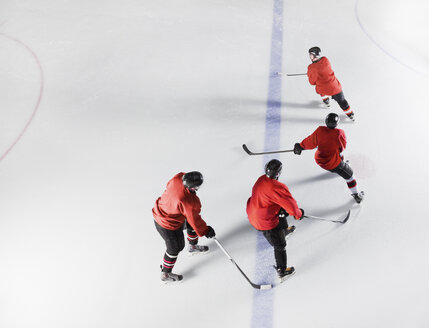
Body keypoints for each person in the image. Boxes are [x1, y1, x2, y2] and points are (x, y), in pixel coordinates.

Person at [152, 171, 216, 284]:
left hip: (168, 211)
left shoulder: (178, 178)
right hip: (167, 223)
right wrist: (206, 230)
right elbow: (195, 219)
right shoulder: (187, 201)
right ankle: (165, 274)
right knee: (175, 248)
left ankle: (193, 247)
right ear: (192, 187)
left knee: (189, 222)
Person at [246, 159, 304, 281]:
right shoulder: (277, 187)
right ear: (278, 173)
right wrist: (298, 214)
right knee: (279, 245)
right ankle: (282, 271)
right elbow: (291, 205)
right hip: (264, 222)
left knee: (281, 210)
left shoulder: (261, 179)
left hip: (255, 211)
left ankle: (285, 230)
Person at [294, 113, 364, 203]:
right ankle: (357, 195)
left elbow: (310, 142)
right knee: (350, 176)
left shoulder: (320, 130)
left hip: (320, 160)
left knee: (331, 151)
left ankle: (341, 164)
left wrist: (300, 146)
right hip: (333, 164)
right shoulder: (339, 133)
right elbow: (342, 147)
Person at [307, 46, 355, 121]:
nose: (310, 57)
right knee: (342, 101)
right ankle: (350, 114)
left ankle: (326, 100)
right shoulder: (325, 60)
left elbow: (312, 82)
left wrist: (310, 74)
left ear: (314, 55)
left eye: (311, 55)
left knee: (319, 88)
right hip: (335, 87)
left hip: (323, 89)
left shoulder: (311, 68)